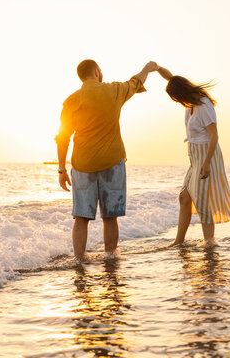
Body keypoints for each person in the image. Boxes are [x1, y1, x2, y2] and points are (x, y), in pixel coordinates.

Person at [55, 59, 158, 259]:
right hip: (112, 162)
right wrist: (148, 68)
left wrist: (61, 169)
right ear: (96, 72)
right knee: (110, 216)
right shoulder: (114, 90)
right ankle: (111, 256)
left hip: (83, 165)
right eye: (100, 70)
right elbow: (136, 82)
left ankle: (79, 260)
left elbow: (63, 138)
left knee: (81, 217)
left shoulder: (71, 100)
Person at [156, 66, 230, 247]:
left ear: (182, 93)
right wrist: (157, 69)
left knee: (201, 200)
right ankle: (179, 241)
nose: (177, 102)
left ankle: (209, 242)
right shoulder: (190, 103)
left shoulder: (203, 105)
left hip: (208, 156)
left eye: (176, 97)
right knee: (184, 197)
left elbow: (214, 136)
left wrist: (206, 163)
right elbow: (171, 78)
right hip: (195, 158)